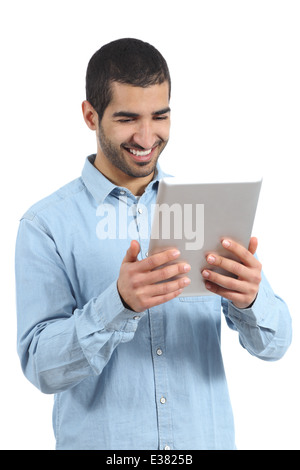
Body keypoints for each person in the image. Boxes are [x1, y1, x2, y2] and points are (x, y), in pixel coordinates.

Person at [15, 38, 292, 450]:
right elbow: (42, 368)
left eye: (159, 116)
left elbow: (275, 345)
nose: (147, 137)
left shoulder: (207, 207)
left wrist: (251, 299)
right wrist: (118, 304)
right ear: (91, 116)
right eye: (127, 118)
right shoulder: (46, 225)